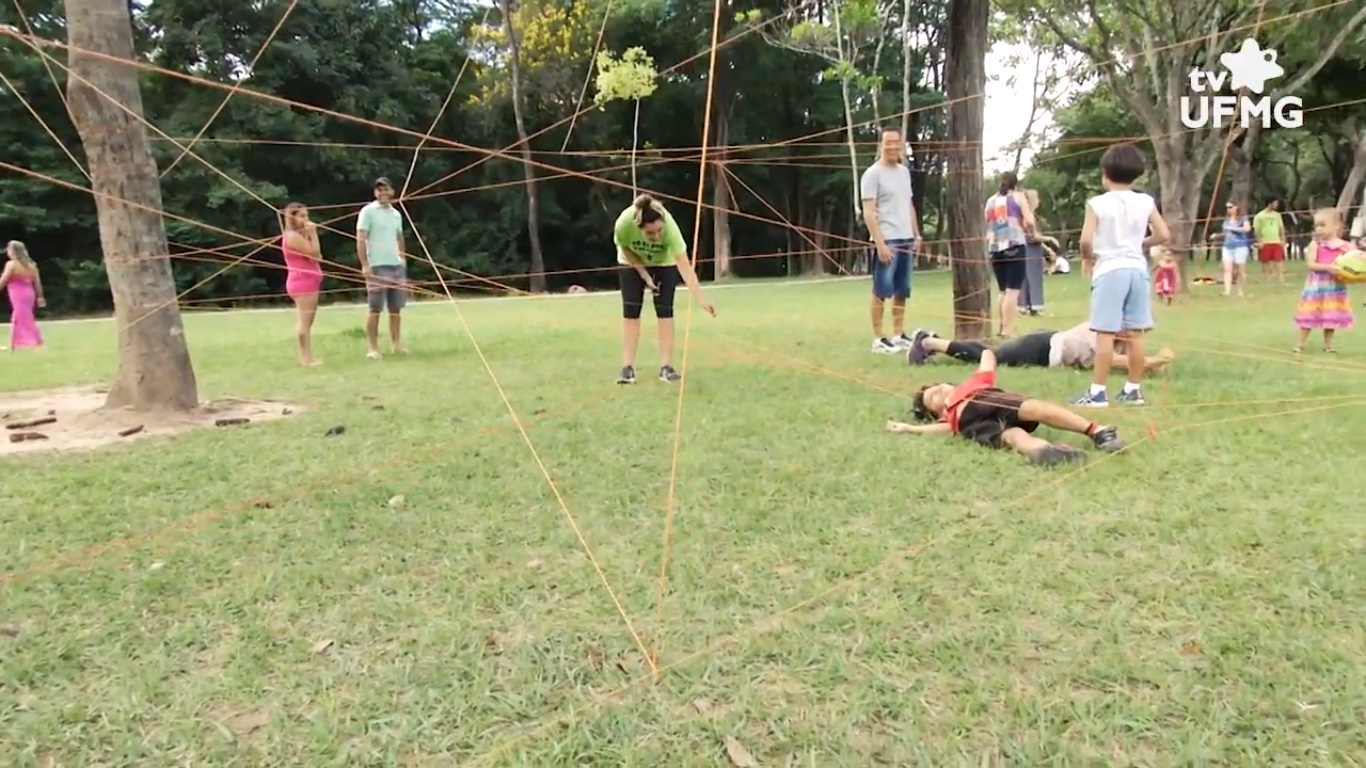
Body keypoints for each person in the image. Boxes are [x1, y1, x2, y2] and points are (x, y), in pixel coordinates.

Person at [887, 348, 1125, 467]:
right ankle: (1082, 436)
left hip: (979, 415)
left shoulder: (973, 385)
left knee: (1019, 429)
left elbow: (988, 360)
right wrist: (908, 428)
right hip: (978, 411)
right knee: (1027, 418)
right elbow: (941, 429)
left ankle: (1053, 446)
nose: (939, 391)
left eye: (938, 387)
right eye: (933, 398)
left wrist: (986, 352)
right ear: (938, 412)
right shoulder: (957, 407)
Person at [1071, 143, 1169, 408]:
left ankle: (1098, 393)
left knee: (1105, 334)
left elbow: (1085, 240)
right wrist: (1142, 244)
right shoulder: (1145, 201)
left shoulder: (1097, 204)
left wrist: (1089, 257)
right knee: (1136, 333)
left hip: (1110, 270)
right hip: (1137, 270)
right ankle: (1133, 389)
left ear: (1105, 173)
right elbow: (1163, 234)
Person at [613, 193, 715, 384]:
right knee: (631, 311)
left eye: (659, 231)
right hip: (630, 262)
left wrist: (701, 299)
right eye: (650, 233)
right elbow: (624, 246)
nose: (657, 236)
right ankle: (627, 368)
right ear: (639, 227)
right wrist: (643, 274)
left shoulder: (670, 229)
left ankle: (666, 368)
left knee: (665, 312)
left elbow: (684, 265)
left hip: (663, 263)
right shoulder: (624, 223)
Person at [860, 126, 921, 354]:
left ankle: (898, 333)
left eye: (897, 142)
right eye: (889, 142)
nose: (893, 146)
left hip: (906, 238)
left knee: (902, 289)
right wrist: (880, 242)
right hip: (888, 238)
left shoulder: (904, 172)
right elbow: (868, 212)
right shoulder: (873, 174)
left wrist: (916, 233)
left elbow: (908, 204)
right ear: (881, 145)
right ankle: (878, 338)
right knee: (881, 288)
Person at [905, 324, 1174, 374]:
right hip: (1042, 348)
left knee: (992, 350)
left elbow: (1126, 360)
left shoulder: (1118, 336)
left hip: (1046, 345)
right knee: (991, 357)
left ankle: (932, 341)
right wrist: (1152, 362)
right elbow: (1110, 362)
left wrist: (1152, 365)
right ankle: (928, 342)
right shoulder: (1103, 327)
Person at [357, 176, 407, 360]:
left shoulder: (396, 214)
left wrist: (402, 258)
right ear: (375, 192)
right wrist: (364, 264)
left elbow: (399, 237)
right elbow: (361, 238)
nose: (382, 192)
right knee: (375, 308)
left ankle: (396, 344)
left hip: (396, 267)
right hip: (376, 267)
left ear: (392, 191)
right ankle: (372, 347)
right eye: (379, 189)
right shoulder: (367, 211)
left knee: (396, 308)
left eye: (385, 189)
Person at [1293, 208, 1354, 354]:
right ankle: (1300, 344)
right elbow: (1311, 265)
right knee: (1309, 315)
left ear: (1336, 226)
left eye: (1322, 225)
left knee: (1330, 316)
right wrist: (1329, 268)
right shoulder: (1316, 244)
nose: (1318, 229)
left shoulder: (1345, 246)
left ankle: (1328, 346)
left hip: (1335, 288)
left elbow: (1355, 260)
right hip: (1317, 288)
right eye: (1316, 226)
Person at [984, 171, 1036, 338]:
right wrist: (1032, 232)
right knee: (1013, 291)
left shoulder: (990, 201)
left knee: (1002, 291)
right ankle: (1008, 329)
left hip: (995, 248)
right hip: (1014, 245)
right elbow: (1029, 220)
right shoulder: (1018, 197)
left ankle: (1001, 327)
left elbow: (988, 221)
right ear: (1016, 184)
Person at [281, 202, 324, 367]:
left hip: (308, 281)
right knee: (304, 322)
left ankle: (307, 357)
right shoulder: (292, 236)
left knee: (308, 322)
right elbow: (315, 253)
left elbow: (316, 257)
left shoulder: (299, 235)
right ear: (292, 217)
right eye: (302, 216)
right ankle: (306, 358)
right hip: (302, 282)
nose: (306, 219)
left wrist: (309, 234)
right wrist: (313, 234)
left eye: (307, 215)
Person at [0, 240, 44, 350]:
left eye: (9, 250)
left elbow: (3, 280)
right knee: (19, 316)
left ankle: (32, 340)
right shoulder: (31, 265)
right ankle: (15, 343)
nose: (8, 253)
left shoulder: (11, 264)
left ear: (13, 251)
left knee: (23, 317)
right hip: (29, 293)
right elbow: (37, 282)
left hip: (17, 293)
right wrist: (40, 296)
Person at [1018, 189, 1048, 316]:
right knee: (1033, 277)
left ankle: (1026, 306)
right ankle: (1033, 305)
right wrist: (1050, 240)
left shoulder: (1026, 216)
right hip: (1030, 249)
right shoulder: (1028, 217)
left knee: (1027, 277)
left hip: (1031, 249)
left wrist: (1047, 248)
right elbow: (1033, 236)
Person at [1220, 202, 1252, 296]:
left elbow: (1247, 229)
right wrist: (1218, 236)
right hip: (1227, 246)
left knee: (1240, 270)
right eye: (1227, 207)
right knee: (1227, 269)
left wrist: (1234, 229)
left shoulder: (1243, 218)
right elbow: (1226, 233)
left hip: (1240, 246)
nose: (1228, 209)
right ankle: (1227, 291)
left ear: (1236, 207)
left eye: (1230, 207)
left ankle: (1240, 291)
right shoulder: (1226, 220)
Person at [1253, 197, 1286, 284]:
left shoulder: (1277, 215)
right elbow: (1257, 229)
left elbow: (1281, 227)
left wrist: (1283, 239)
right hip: (1265, 241)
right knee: (1265, 261)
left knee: (1279, 261)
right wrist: (1259, 241)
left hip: (1276, 241)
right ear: (1270, 203)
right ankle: (1267, 279)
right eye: (1275, 203)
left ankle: (1281, 280)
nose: (1277, 205)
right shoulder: (1259, 216)